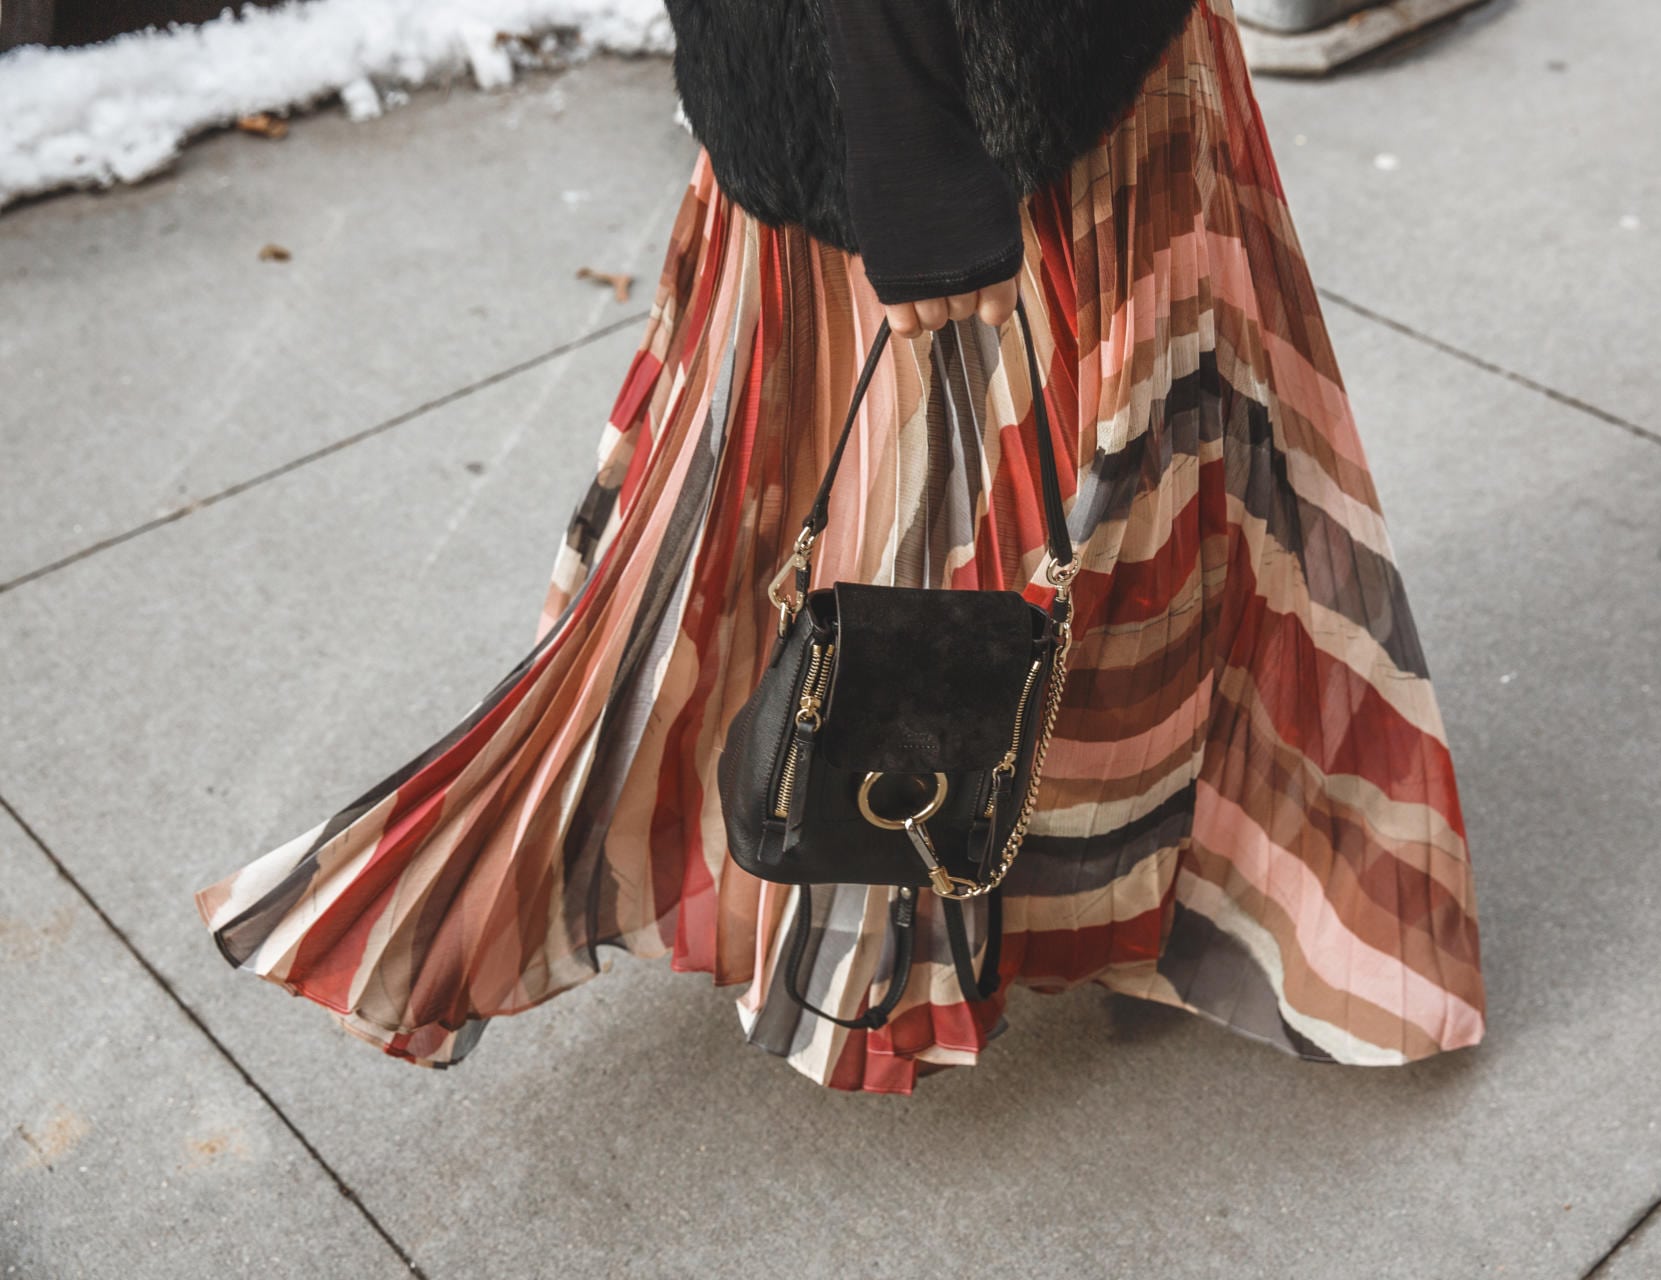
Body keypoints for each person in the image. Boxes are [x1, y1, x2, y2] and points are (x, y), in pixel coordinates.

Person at [194, 0, 1486, 1093]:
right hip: (969, 90)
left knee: (1076, 518)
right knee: (935, 548)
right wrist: (915, 152)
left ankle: (1066, 887)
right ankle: (875, 926)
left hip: (948, 77)